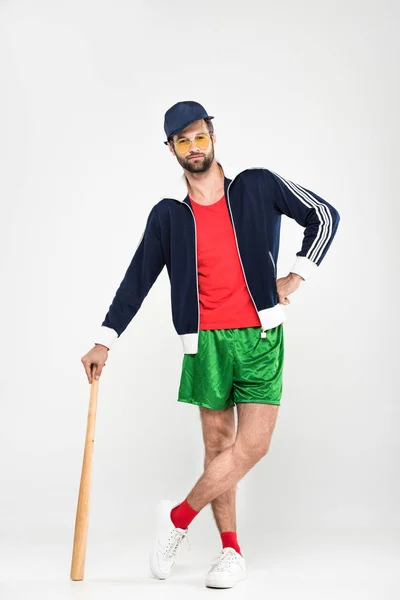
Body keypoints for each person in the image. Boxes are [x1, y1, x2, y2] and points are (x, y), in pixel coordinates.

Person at [81, 100, 340, 588]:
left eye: (200, 136)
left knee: (253, 446)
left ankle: (177, 518)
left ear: (213, 136)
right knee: (219, 446)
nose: (194, 147)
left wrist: (297, 275)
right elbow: (137, 279)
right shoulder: (168, 217)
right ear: (171, 149)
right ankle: (229, 551)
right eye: (183, 141)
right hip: (205, 345)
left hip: (261, 336)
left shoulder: (257, 185)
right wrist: (104, 340)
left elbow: (324, 215)